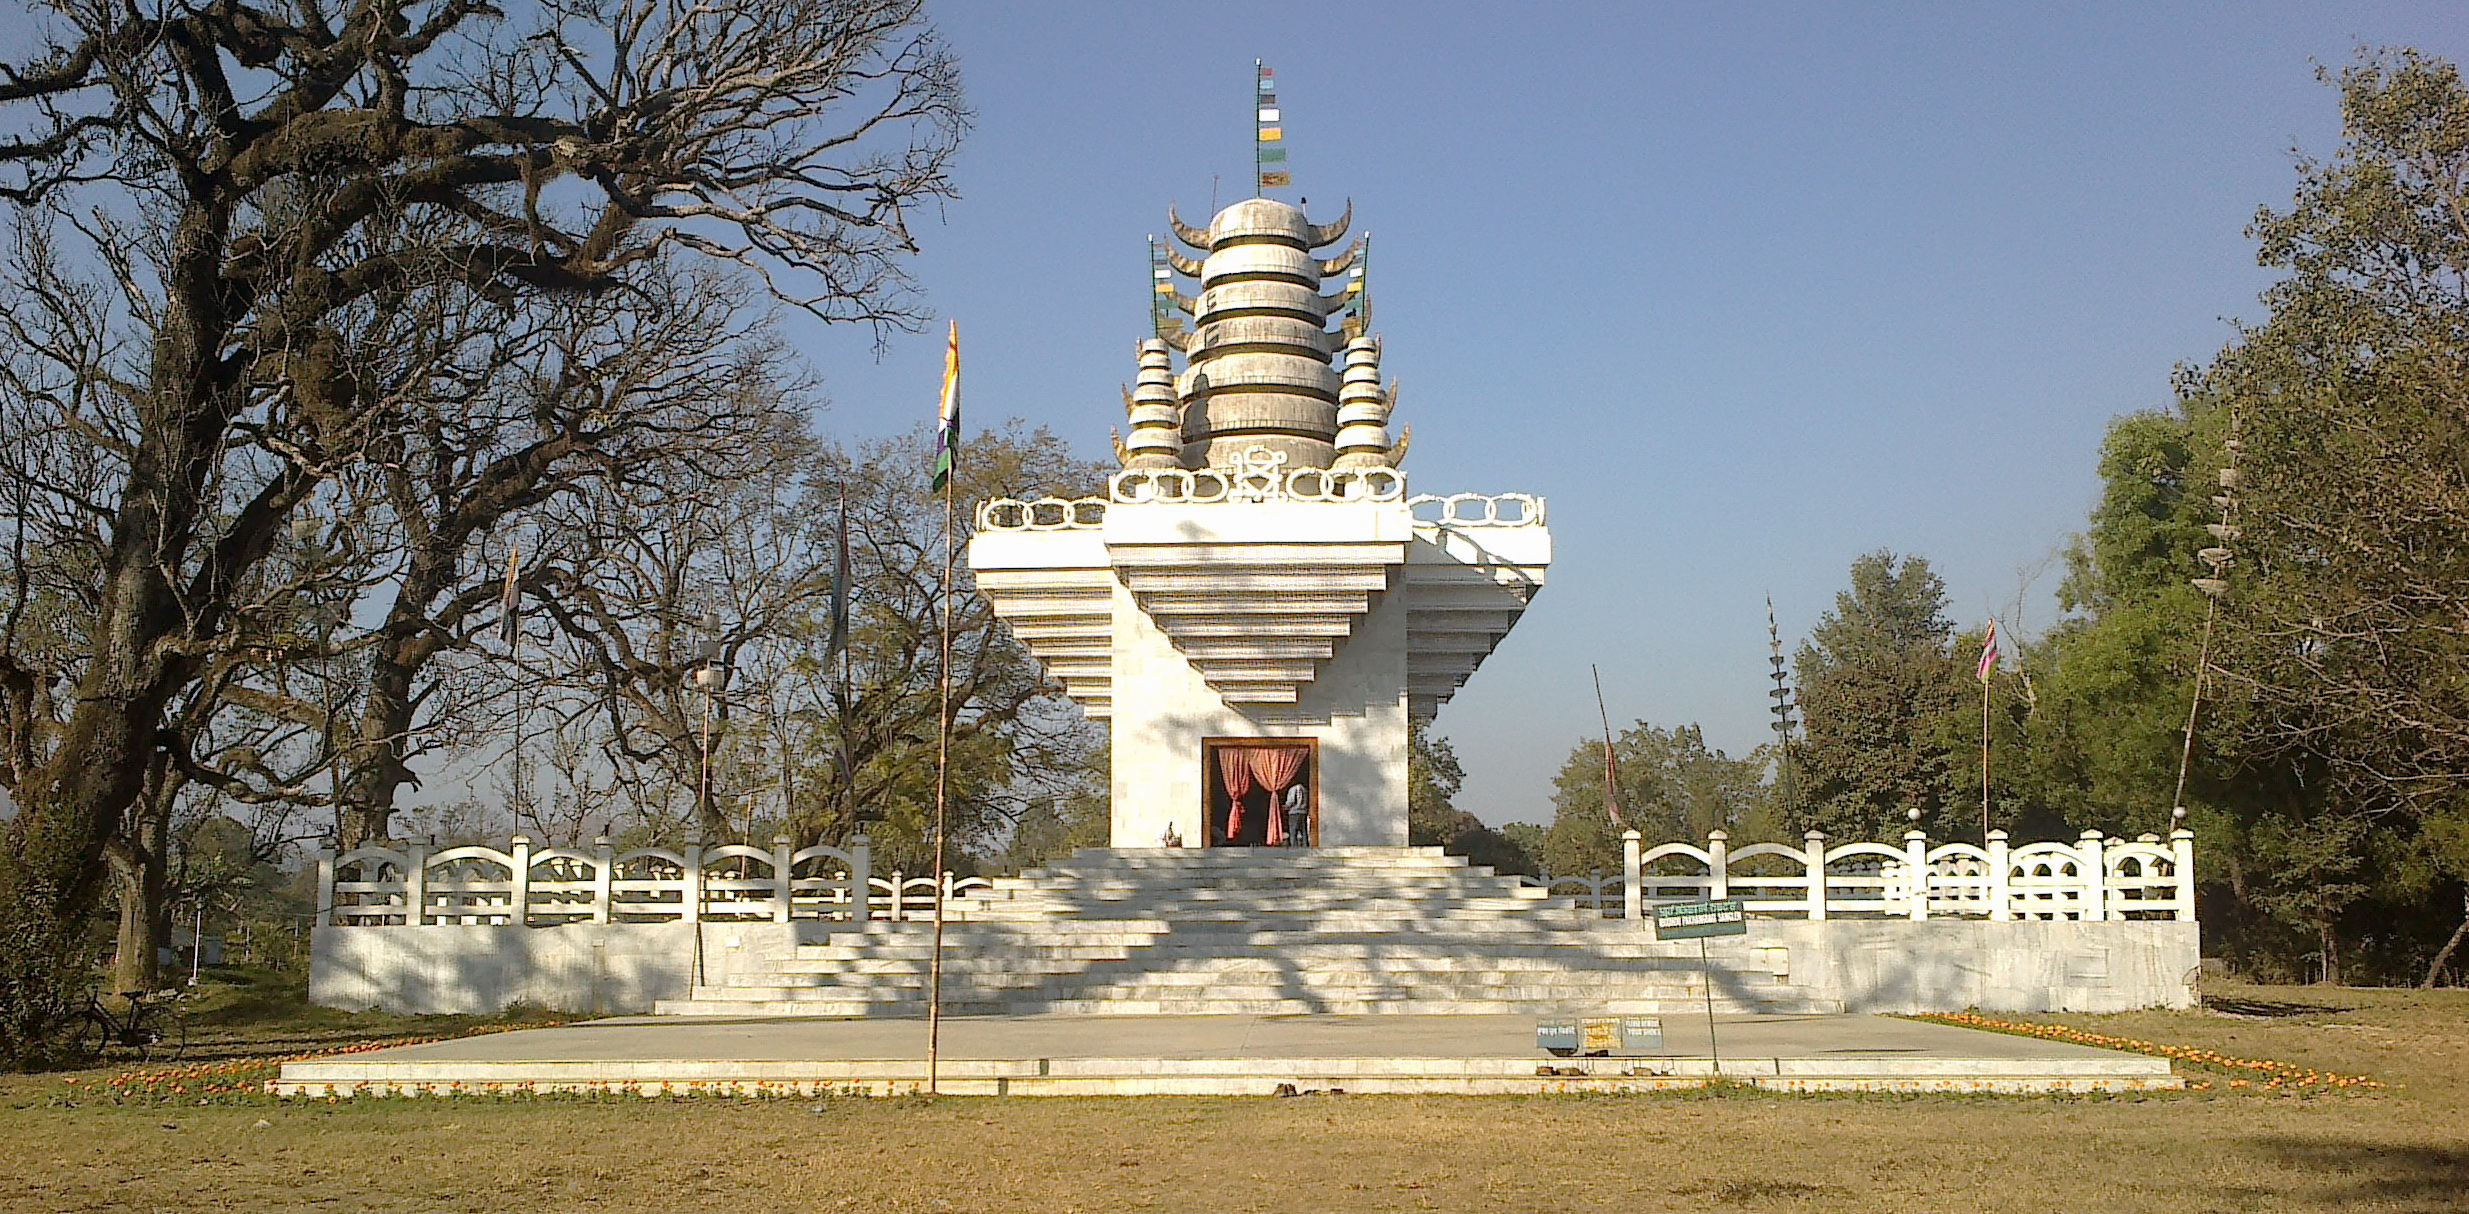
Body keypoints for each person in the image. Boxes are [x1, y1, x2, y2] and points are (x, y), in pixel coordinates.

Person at [1281, 782, 1309, 848]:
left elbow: (1292, 801)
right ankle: (1305, 845)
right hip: (1303, 812)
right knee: (1303, 830)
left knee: (1293, 830)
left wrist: (1286, 806)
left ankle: (1294, 845)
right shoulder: (1304, 789)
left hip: (1294, 812)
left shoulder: (1293, 789)